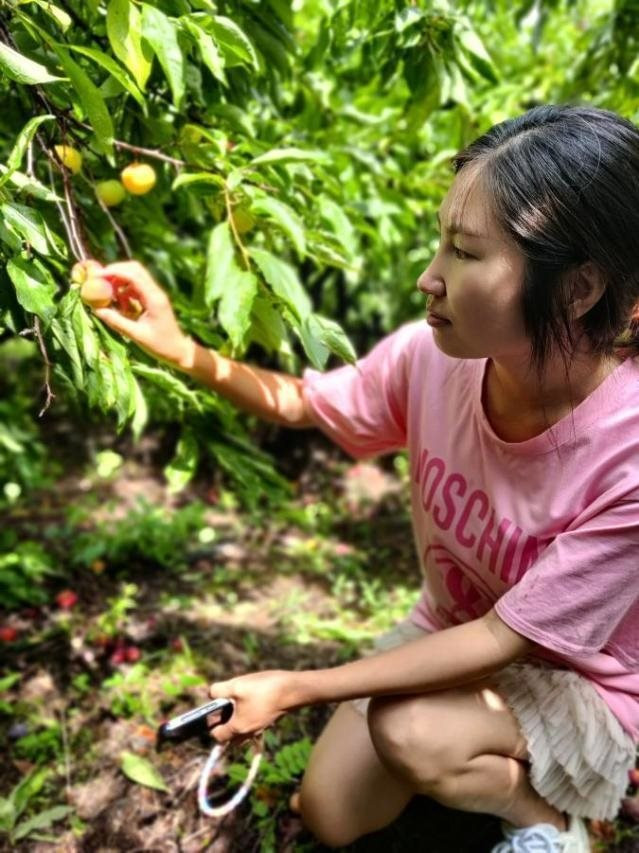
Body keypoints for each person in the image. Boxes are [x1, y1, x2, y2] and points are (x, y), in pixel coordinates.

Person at [93, 103, 639, 853]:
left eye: (464, 252)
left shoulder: (629, 449)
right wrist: (178, 346)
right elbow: (304, 403)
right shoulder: (431, 359)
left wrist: (298, 686)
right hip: (453, 633)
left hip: (580, 680)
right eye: (439, 243)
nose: (429, 277)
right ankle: (466, 760)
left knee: (410, 729)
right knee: (332, 812)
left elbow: (505, 636)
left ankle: (552, 823)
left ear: (577, 289)